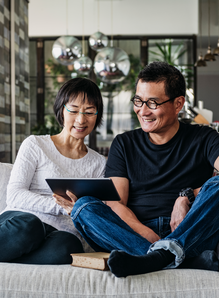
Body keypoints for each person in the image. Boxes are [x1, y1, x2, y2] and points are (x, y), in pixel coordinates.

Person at [54, 62, 219, 277]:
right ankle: (173, 257)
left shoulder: (204, 137)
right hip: (134, 233)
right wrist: (144, 232)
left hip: (191, 227)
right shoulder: (124, 143)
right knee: (83, 207)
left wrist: (185, 197)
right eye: (139, 101)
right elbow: (116, 202)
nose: (143, 110)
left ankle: (154, 258)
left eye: (152, 103)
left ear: (178, 104)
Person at [0, 77, 106, 264]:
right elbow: (14, 195)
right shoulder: (35, 144)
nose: (81, 120)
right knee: (30, 226)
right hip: (20, 222)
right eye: (73, 110)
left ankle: (10, 256)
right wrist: (62, 207)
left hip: (57, 234)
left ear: (97, 115)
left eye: (89, 112)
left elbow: (95, 209)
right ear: (61, 110)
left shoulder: (99, 163)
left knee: (69, 246)